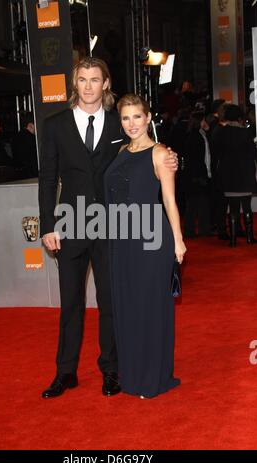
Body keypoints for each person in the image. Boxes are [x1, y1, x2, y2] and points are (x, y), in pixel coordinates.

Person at [38, 57, 178, 399]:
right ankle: (65, 372)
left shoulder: (120, 123)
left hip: (113, 226)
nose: (88, 86)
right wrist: (47, 225)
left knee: (110, 301)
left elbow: (147, 153)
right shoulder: (55, 124)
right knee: (70, 302)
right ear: (75, 84)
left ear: (105, 83)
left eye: (94, 79)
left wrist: (174, 158)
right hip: (70, 224)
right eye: (82, 79)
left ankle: (111, 370)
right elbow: (48, 179)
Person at [105, 94, 186, 399]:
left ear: (148, 117)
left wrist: (178, 241)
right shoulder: (121, 151)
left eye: (137, 117)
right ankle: (134, 374)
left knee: (150, 308)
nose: (131, 124)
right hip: (121, 242)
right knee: (127, 307)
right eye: (125, 118)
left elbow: (169, 200)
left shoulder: (161, 153)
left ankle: (154, 377)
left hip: (151, 240)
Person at [213, 104, 257, 247]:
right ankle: (250, 237)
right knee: (247, 207)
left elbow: (217, 153)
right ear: (239, 117)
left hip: (229, 175)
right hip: (245, 174)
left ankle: (232, 240)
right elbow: (253, 154)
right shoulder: (245, 133)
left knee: (232, 209)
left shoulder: (222, 132)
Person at [11, 112, 38, 178]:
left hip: (20, 174)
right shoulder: (31, 138)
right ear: (30, 125)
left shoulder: (16, 136)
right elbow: (33, 159)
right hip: (31, 174)